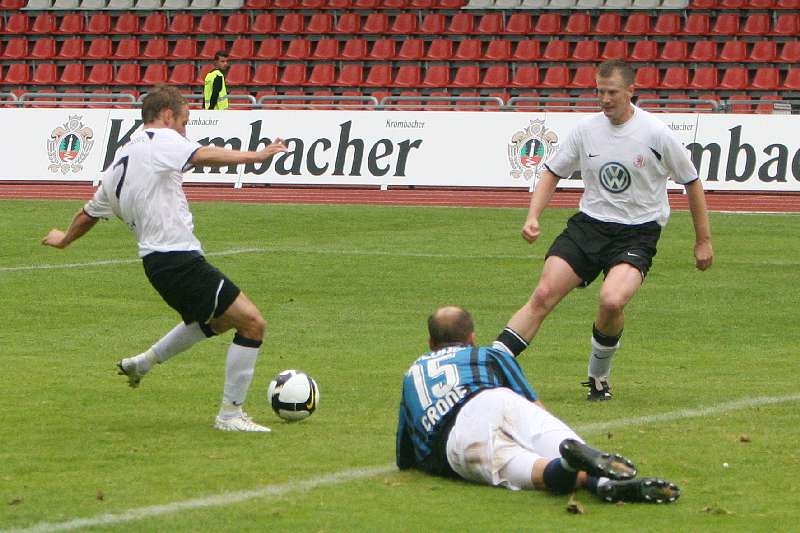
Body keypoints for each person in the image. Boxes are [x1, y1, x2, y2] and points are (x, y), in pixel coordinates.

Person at [42, 85, 288, 433]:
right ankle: (230, 416)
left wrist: (65, 239)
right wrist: (257, 156)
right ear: (167, 116)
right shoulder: (159, 139)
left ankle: (143, 362)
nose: (185, 132)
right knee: (252, 324)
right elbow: (202, 155)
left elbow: (90, 212)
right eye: (184, 122)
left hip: (158, 265)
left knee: (218, 322)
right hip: (177, 259)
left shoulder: (121, 159)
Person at [494, 59, 714, 401]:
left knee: (611, 301)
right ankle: (490, 368)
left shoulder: (656, 134)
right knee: (543, 294)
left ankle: (598, 377)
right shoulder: (586, 129)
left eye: (612, 92)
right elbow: (552, 171)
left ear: (630, 91)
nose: (605, 99)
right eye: (600, 91)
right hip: (589, 226)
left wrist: (703, 240)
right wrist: (533, 215)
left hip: (637, 232)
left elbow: (692, 181)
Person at [396, 306, 681, 504]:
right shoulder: (488, 355)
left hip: (458, 438)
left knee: (540, 472)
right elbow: (534, 407)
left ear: (431, 342)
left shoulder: (412, 374)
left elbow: (405, 455)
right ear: (472, 338)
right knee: (557, 443)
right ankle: (605, 483)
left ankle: (570, 465)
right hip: (497, 398)